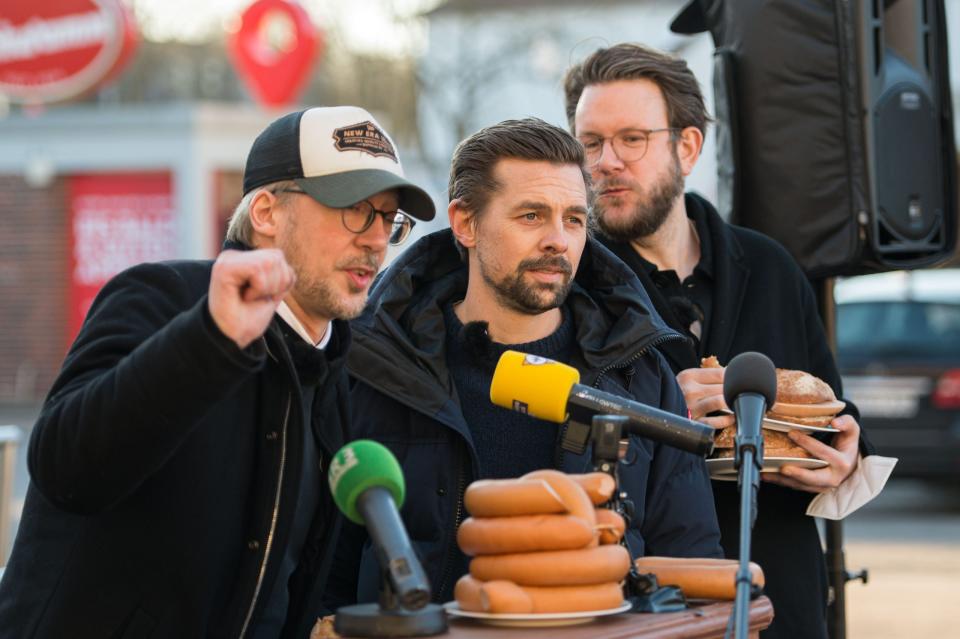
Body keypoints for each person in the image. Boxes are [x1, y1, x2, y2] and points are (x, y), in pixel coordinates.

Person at [0, 106, 435, 639]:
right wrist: (209, 338)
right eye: (354, 209)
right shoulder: (163, 299)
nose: (375, 239)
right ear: (267, 213)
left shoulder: (335, 372)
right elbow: (63, 468)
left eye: (388, 219)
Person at [324, 117, 722, 609]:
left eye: (574, 219)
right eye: (531, 216)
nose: (558, 240)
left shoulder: (638, 372)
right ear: (465, 223)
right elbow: (325, 574)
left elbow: (692, 559)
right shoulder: (376, 365)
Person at [563, 44, 878, 638]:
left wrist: (846, 452)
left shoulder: (772, 265)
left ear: (688, 147)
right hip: (642, 604)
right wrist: (659, 410)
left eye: (631, 139)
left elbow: (832, 408)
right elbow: (547, 447)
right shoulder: (572, 286)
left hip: (784, 595)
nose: (604, 162)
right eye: (590, 142)